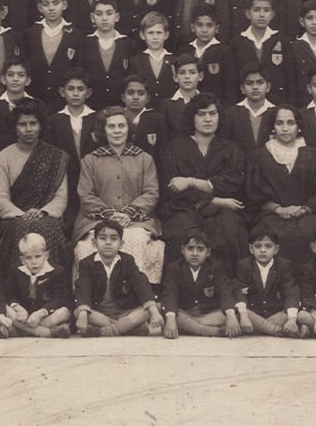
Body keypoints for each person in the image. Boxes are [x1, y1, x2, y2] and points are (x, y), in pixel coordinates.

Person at [156, 95, 247, 265]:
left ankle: (230, 280)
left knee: (229, 230)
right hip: (184, 208)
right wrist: (216, 200)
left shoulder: (231, 149)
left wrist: (191, 181)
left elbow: (231, 184)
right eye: (201, 114)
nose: (208, 119)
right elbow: (175, 188)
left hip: (223, 211)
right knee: (183, 233)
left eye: (212, 113)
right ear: (192, 117)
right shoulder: (176, 148)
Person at [243, 104, 316, 265]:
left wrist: (304, 209)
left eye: (290, 123)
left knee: (310, 234)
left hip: (307, 214)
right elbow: (253, 193)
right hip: (271, 215)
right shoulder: (259, 156)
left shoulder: (313, 155)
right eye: (279, 123)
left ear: (298, 126)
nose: (285, 128)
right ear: (273, 126)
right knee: (271, 235)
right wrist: (278, 209)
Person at [72, 107, 163, 272]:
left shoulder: (144, 159)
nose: (117, 131)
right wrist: (109, 215)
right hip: (97, 221)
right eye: (111, 126)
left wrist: (128, 213)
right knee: (88, 247)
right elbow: (85, 195)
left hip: (136, 221)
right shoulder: (90, 160)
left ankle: (133, 287)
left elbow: (151, 193)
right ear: (104, 130)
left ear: (129, 128)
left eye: (121, 126)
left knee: (136, 240)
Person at [0, 101, 71, 266]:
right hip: (13, 219)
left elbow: (60, 197)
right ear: (15, 127)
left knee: (49, 228)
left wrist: (43, 212)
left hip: (47, 217)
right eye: (22, 124)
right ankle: (18, 280)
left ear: (40, 126)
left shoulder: (56, 157)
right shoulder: (3, 157)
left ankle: (50, 280)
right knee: (20, 228)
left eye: (33, 123)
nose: (28, 129)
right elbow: (1, 198)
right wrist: (22, 215)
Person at [72, 218, 159, 336]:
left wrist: (154, 311)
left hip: (123, 311)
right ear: (94, 243)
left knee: (153, 308)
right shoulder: (87, 264)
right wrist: (83, 313)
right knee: (78, 312)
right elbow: (83, 288)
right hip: (100, 313)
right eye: (103, 238)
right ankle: (129, 328)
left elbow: (141, 284)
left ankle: (106, 331)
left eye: (113, 239)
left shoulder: (127, 261)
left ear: (121, 244)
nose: (108, 243)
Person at [0, 230, 72, 338]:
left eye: (38, 256)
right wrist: (18, 307)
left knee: (65, 312)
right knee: (4, 307)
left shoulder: (57, 272)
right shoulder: (15, 270)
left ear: (46, 255)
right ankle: (44, 332)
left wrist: (41, 313)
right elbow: (11, 294)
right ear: (22, 260)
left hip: (44, 316)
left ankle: (21, 331)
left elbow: (58, 299)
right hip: (23, 315)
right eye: (28, 258)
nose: (34, 262)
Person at [159, 229, 233, 338]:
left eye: (200, 249)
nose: (194, 254)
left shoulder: (216, 267)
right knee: (167, 312)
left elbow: (225, 292)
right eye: (190, 248)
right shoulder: (174, 268)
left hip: (208, 314)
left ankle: (190, 327)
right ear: (182, 250)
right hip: (184, 312)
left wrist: (230, 315)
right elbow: (170, 294)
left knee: (234, 314)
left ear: (208, 252)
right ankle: (212, 331)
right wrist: (170, 319)